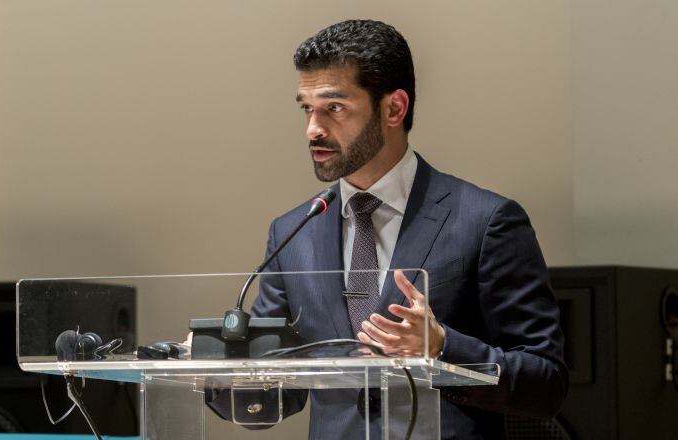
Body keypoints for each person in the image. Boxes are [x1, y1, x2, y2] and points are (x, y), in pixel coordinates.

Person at [209, 19, 567, 439]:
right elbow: (274, 396)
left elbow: (546, 385)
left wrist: (443, 348)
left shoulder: (486, 222)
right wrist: (213, 369)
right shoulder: (293, 234)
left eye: (334, 108)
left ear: (394, 108)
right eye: (306, 108)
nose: (313, 130)